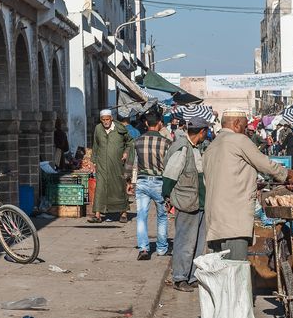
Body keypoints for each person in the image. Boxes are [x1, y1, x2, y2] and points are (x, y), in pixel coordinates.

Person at [203, 110, 293, 260]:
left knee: (222, 273)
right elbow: (264, 163)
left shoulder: (212, 146)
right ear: (236, 124)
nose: (245, 130)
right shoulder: (238, 140)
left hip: (215, 221)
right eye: (243, 125)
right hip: (233, 221)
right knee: (235, 271)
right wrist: (288, 174)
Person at [162, 116, 209, 291]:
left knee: (198, 242)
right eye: (206, 131)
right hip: (186, 201)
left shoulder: (196, 148)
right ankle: (180, 277)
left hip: (200, 202)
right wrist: (166, 196)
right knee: (185, 242)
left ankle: (192, 276)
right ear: (202, 132)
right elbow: (169, 176)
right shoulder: (182, 148)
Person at [127, 111, 171, 258]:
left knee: (141, 216)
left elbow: (131, 164)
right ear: (159, 123)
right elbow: (170, 167)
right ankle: (161, 249)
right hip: (160, 182)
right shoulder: (166, 143)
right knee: (162, 216)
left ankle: (144, 249)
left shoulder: (137, 141)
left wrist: (129, 181)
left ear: (146, 124)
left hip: (142, 182)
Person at [89, 109, 133, 223]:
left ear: (111, 118)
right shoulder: (98, 129)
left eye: (107, 119)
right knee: (100, 188)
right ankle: (98, 214)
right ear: (100, 120)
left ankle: (123, 213)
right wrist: (92, 161)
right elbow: (95, 145)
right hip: (102, 164)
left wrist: (126, 152)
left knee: (119, 187)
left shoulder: (120, 129)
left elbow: (130, 142)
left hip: (117, 164)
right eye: (103, 120)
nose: (105, 122)